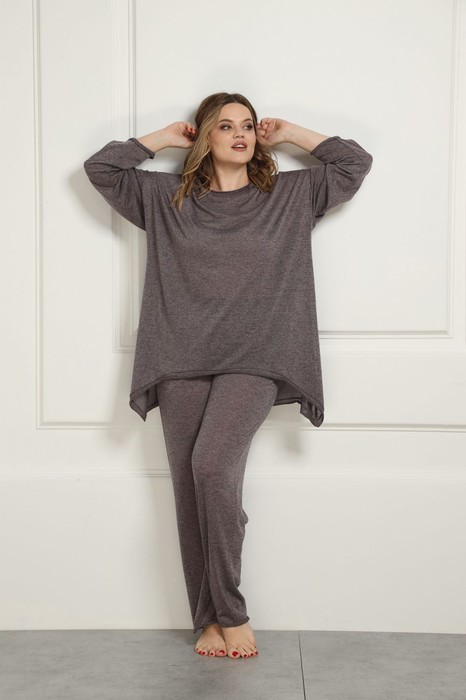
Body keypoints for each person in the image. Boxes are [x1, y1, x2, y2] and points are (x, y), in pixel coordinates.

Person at [83, 92, 373, 661]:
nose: (239, 133)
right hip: (180, 356)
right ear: (205, 137)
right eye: (224, 126)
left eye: (247, 125)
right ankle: (208, 620)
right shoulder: (166, 198)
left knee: (212, 468)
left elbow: (353, 163)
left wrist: (290, 132)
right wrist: (163, 139)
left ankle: (232, 612)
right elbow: (101, 169)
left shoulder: (289, 195)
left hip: (257, 355)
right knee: (191, 489)